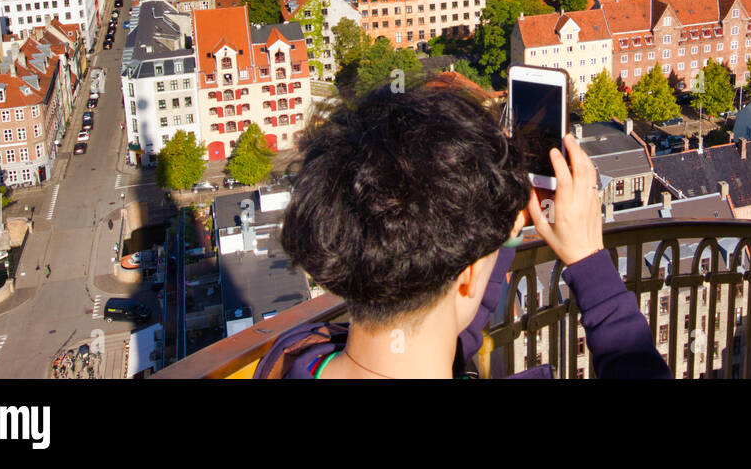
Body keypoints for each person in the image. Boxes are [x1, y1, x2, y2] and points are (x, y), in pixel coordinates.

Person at [271, 83, 670, 380]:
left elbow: (441, 327)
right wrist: (589, 264)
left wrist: (499, 230)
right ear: (466, 276)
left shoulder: (293, 355)